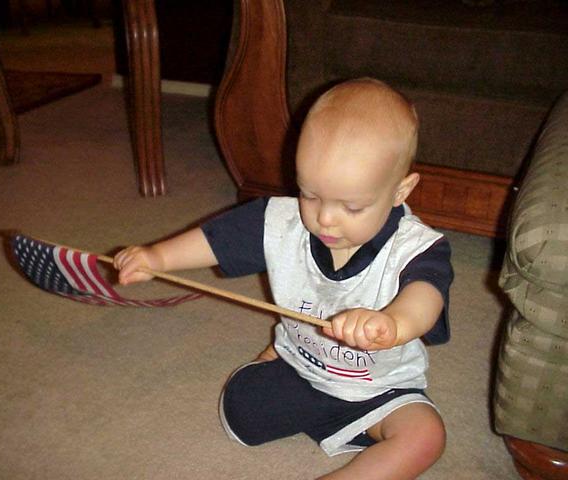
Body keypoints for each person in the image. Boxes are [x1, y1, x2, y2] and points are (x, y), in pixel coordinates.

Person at [114, 78, 453, 480]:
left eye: (351, 205)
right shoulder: (282, 221)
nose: (324, 218)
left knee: (426, 436)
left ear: (400, 191)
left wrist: (396, 323)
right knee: (241, 412)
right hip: (301, 367)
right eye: (310, 194)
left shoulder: (416, 247)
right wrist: (157, 256)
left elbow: (426, 296)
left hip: (378, 390)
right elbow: (217, 241)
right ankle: (274, 358)